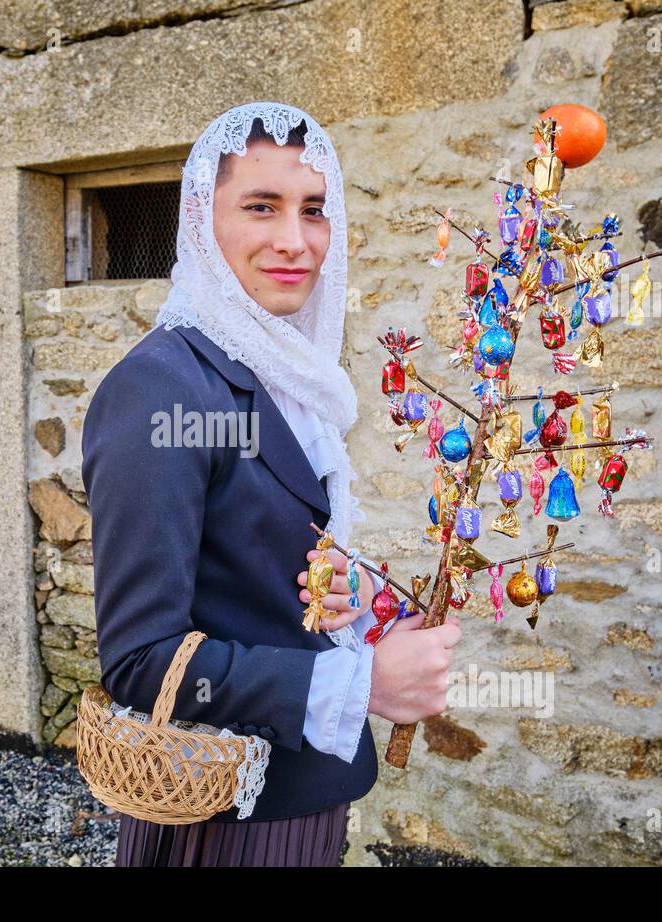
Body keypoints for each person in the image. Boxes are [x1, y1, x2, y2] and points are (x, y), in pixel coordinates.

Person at [80, 102, 462, 867]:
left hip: (303, 790)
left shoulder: (288, 377)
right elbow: (139, 660)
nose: (296, 241)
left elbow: (256, 565)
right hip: (221, 817)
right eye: (262, 207)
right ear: (201, 218)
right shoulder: (161, 391)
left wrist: (348, 606)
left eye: (314, 211)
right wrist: (361, 685)